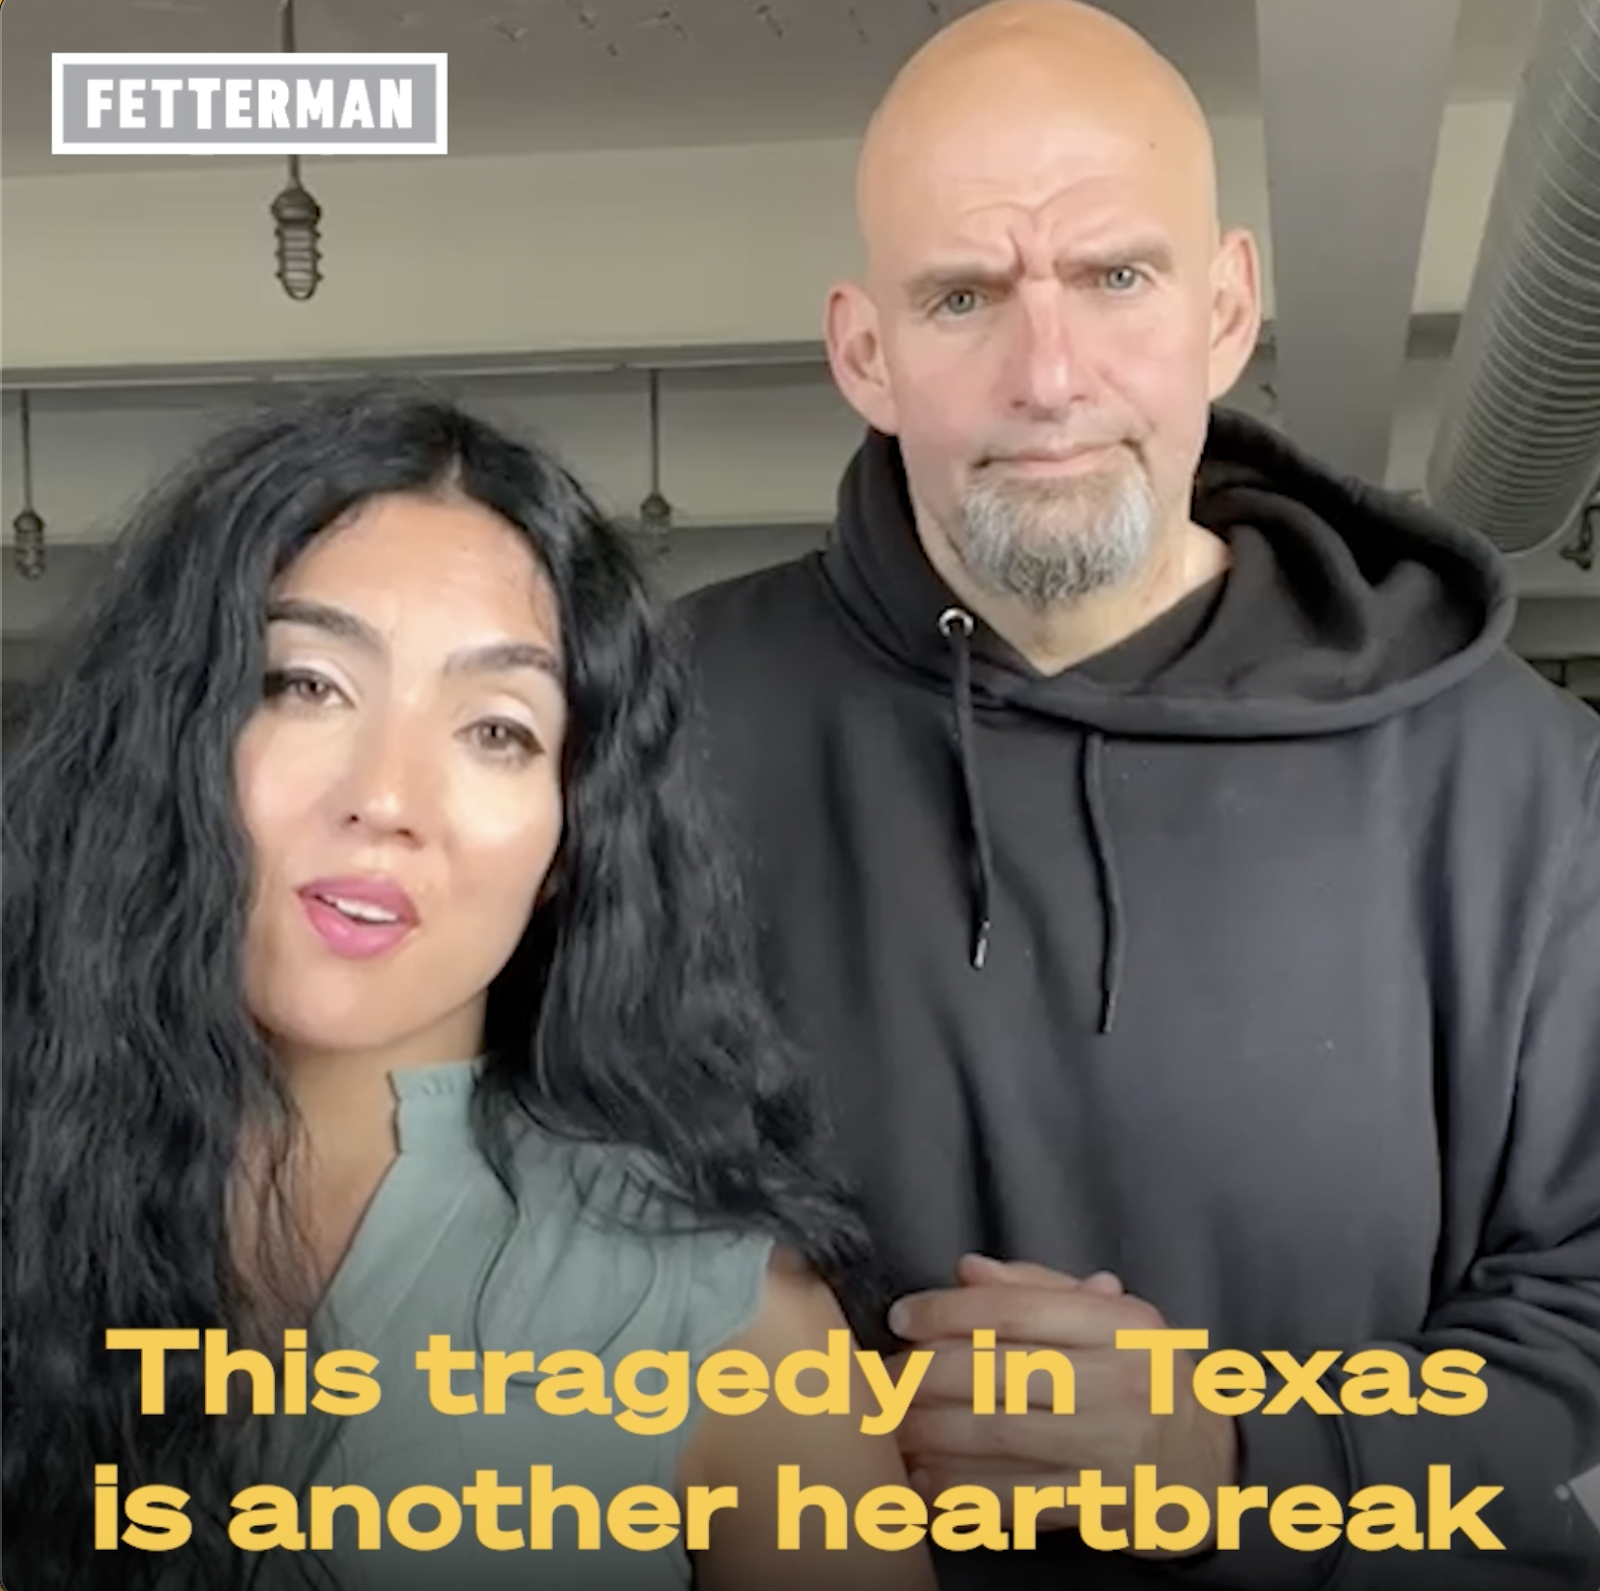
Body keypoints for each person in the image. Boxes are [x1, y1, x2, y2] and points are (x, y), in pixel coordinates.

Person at [676, 2, 1600, 1587]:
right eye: (964, 295)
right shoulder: (654, 724)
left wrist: (1233, 1453)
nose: (1048, 374)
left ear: (1226, 309)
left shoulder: (1516, 778)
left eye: (1116, 277)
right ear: (865, 352)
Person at [1, 384, 938, 1591]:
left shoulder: (728, 1315)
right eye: (305, 684)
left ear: (570, 839)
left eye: (497, 730)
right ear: (169, 737)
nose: (386, 797)